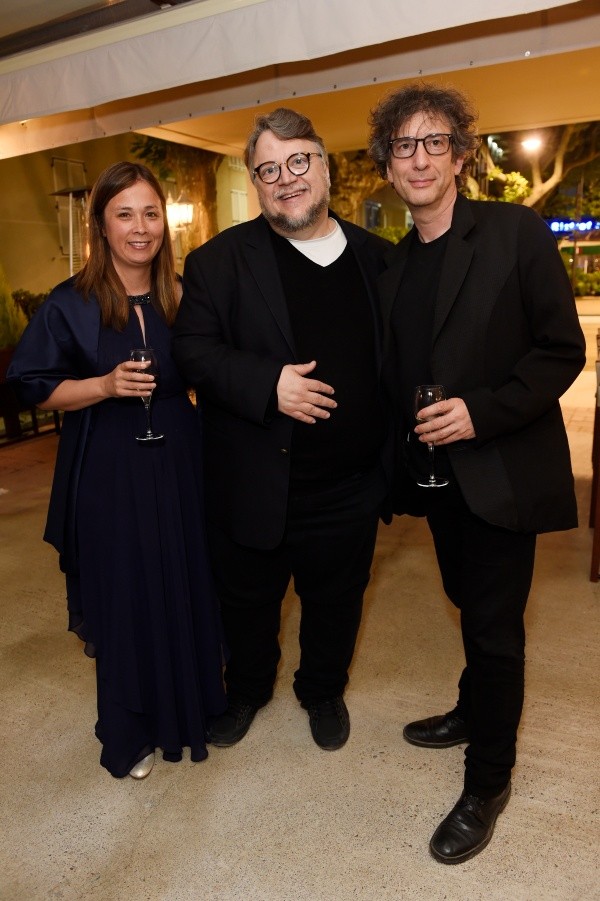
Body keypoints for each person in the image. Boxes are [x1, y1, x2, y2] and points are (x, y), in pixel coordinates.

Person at [367, 83, 586, 863]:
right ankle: (473, 707)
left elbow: (563, 350)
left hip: (500, 468)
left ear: (461, 155)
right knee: (466, 603)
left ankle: (488, 777)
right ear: (388, 167)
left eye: (434, 143)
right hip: (435, 481)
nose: (419, 158)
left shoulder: (514, 232)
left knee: (494, 630)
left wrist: (479, 412)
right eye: (403, 146)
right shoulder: (393, 266)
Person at [172, 108, 391, 752]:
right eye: (269, 169)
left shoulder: (380, 260)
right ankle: (247, 689)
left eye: (299, 162)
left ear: (325, 166)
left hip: (350, 487)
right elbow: (193, 352)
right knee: (247, 602)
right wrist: (269, 384)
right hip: (254, 480)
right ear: (256, 181)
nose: (286, 179)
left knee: (337, 602)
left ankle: (321, 689)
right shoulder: (217, 262)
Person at [8, 161, 226, 779]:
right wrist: (103, 385)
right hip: (109, 467)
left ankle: (193, 707)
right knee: (127, 592)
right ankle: (130, 731)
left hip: (180, 461)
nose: (140, 227)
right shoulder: (70, 304)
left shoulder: (182, 295)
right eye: (124, 214)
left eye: (150, 213)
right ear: (101, 226)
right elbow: (31, 387)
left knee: (184, 578)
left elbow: (210, 371)